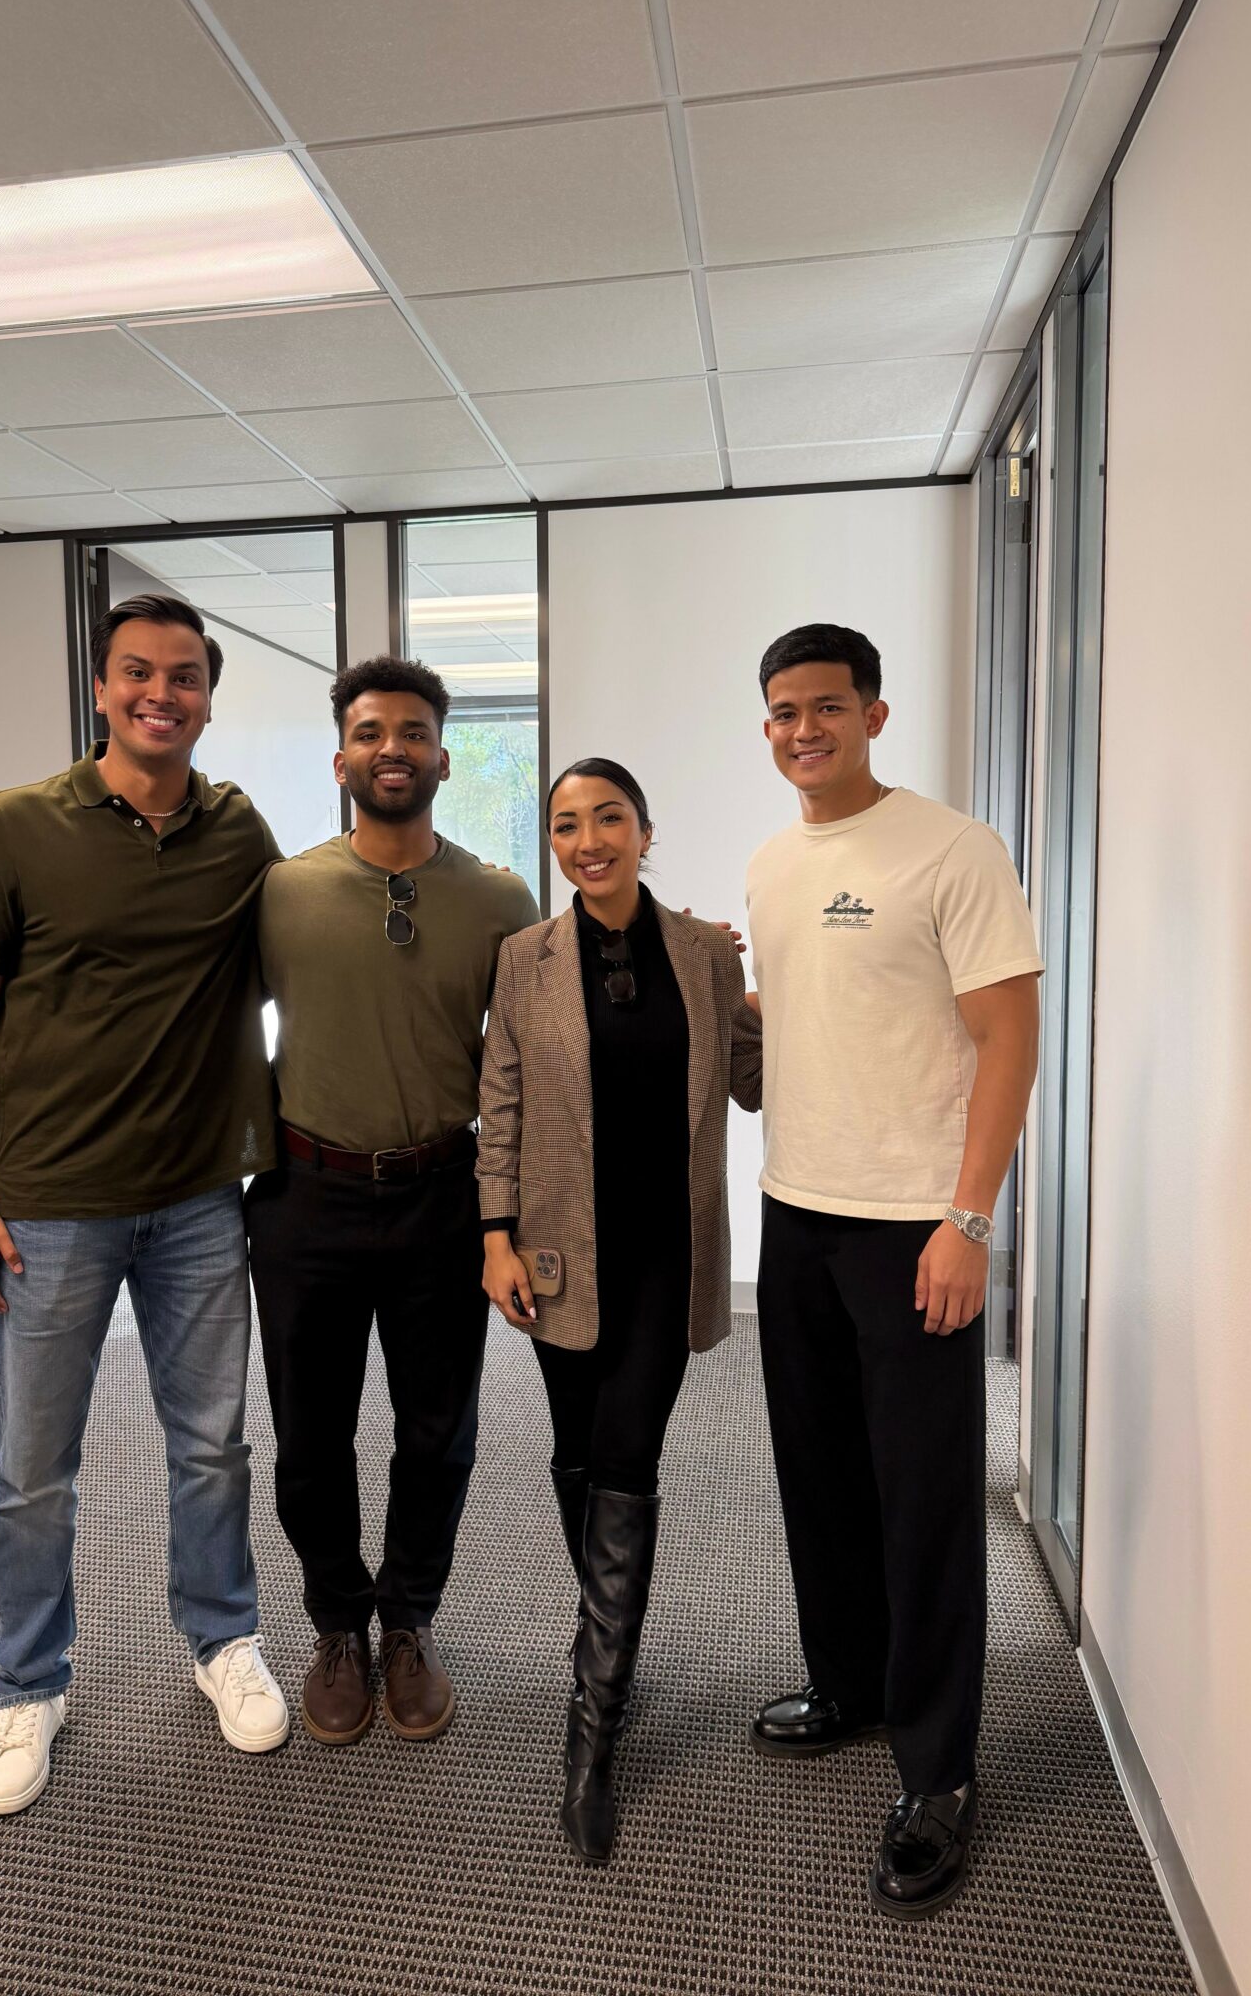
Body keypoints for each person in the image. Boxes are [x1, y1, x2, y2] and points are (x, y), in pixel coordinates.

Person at [0, 593, 290, 1817]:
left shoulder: (239, 832)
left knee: (213, 1445)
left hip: (200, 1199)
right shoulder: (13, 828)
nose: (160, 694)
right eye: (138, 672)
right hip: (50, 1204)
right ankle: (28, 1683)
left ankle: (222, 1636)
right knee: (33, 1466)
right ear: (100, 687)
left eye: (183, 676)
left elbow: (324, 938)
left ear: (208, 697)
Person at [744, 622, 1042, 1918]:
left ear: (873, 713)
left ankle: (938, 1771)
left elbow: (1010, 1036)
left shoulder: (952, 850)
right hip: (795, 1215)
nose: (802, 729)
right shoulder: (772, 863)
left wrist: (969, 1220)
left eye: (825, 706)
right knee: (821, 1478)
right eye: (782, 711)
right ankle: (852, 1683)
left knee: (924, 1503)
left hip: (914, 1226)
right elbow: (809, 1015)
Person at [246, 656, 540, 1748]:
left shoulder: (499, 901)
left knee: (438, 1432)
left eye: (413, 732)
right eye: (371, 732)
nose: (392, 749)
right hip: (305, 1196)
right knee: (308, 1436)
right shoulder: (281, 893)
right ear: (341, 760)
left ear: (444, 758)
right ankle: (337, 1624)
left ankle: (408, 1618)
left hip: (441, 1198)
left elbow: (536, 1053)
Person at [478, 759, 762, 1865]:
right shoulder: (525, 960)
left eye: (608, 819)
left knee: (626, 1455)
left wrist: (792, 984)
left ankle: (591, 1731)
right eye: (567, 824)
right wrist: (495, 1235)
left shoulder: (706, 953)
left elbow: (753, 1078)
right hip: (559, 1254)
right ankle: (610, 1649)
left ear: (647, 831)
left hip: (664, 1257)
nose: (588, 840)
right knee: (577, 1453)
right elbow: (501, 1102)